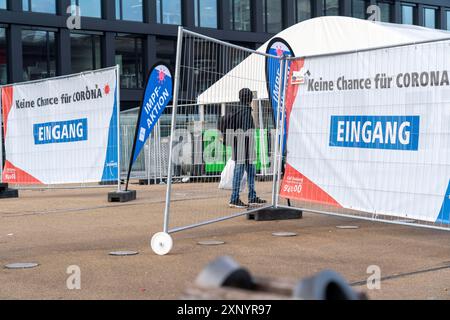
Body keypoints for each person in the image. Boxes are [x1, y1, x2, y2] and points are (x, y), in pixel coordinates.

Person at [223, 88, 267, 209]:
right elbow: (248, 131)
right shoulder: (245, 111)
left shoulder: (235, 109)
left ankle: (251, 196)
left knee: (249, 171)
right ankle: (234, 198)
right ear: (250, 99)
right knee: (242, 172)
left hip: (238, 144)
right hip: (245, 146)